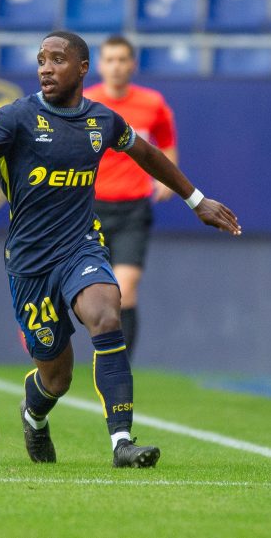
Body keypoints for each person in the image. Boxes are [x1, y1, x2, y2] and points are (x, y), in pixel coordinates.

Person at [0, 31, 241, 468]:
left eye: (57, 60)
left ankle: (122, 443)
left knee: (106, 314)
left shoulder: (103, 122)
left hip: (80, 246)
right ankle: (34, 416)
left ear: (82, 68)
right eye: (41, 60)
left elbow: (148, 154)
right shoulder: (17, 117)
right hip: (30, 263)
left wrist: (196, 200)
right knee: (56, 378)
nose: (46, 68)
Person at [85, 36, 177, 359]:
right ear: (99, 65)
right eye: (110, 60)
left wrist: (167, 177)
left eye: (122, 59)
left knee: (123, 290)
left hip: (133, 210)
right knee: (93, 293)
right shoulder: (85, 103)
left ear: (133, 65)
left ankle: (119, 366)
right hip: (89, 211)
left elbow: (166, 143)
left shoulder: (152, 103)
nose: (116, 66)